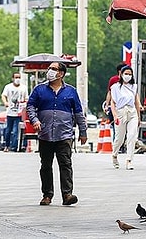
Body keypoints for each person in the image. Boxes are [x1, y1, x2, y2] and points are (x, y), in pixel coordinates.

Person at [26, 62, 87, 206]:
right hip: (45, 134)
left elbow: (78, 112)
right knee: (45, 165)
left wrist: (83, 131)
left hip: (64, 135)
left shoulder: (71, 91)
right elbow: (30, 106)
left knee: (65, 164)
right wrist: (34, 120)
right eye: (49, 69)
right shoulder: (39, 90)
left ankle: (67, 194)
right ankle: (47, 195)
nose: (50, 71)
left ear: (61, 74)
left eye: (53, 69)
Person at [109, 66, 142, 170]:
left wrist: (138, 116)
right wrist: (115, 116)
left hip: (132, 112)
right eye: (126, 74)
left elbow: (136, 102)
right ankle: (114, 154)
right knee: (119, 138)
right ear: (121, 74)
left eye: (130, 74)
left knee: (132, 136)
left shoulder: (134, 87)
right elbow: (113, 103)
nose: (128, 76)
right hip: (120, 112)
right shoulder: (115, 87)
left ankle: (129, 160)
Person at [1, 72, 29, 152]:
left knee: (17, 130)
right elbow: (3, 95)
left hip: (19, 112)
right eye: (16, 77)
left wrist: (24, 103)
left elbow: (26, 98)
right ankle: (7, 145)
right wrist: (5, 102)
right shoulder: (8, 87)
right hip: (10, 112)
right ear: (13, 78)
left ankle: (15, 146)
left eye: (19, 77)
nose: (17, 79)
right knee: (8, 130)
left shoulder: (23, 88)